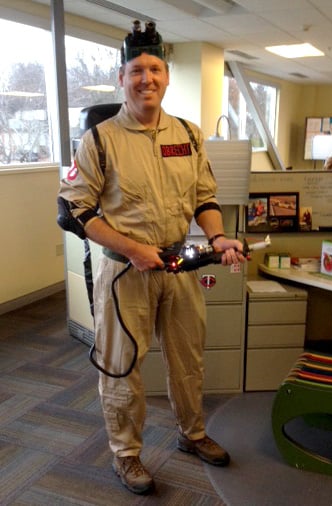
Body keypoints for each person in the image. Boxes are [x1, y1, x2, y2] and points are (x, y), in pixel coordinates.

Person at [58, 20, 245, 496]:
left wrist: (218, 236)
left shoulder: (188, 134)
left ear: (166, 76)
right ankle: (126, 454)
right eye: (137, 70)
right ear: (121, 78)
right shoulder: (100, 139)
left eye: (155, 69)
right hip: (126, 273)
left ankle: (192, 433)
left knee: (188, 359)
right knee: (122, 365)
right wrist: (132, 249)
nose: (147, 79)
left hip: (178, 267)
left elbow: (204, 197)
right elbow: (73, 210)